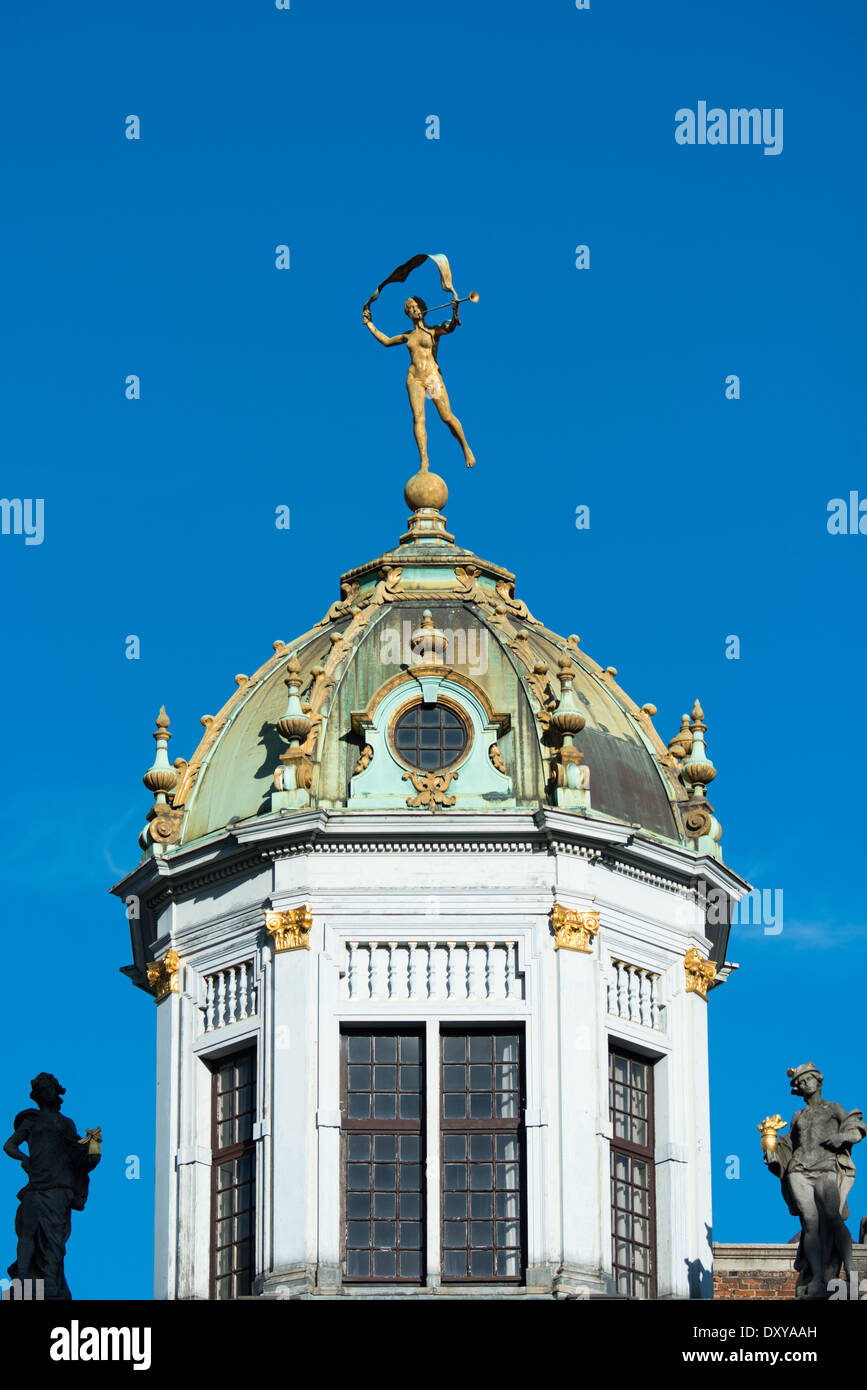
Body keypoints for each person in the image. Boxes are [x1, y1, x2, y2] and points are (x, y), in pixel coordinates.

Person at [763, 1063, 865, 1299]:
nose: (803, 1084)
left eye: (807, 1079)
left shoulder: (833, 1108)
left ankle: (850, 1269)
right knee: (809, 1221)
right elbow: (788, 1145)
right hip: (799, 1168)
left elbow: (855, 1125)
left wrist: (842, 1137)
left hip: (826, 1166)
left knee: (832, 1216)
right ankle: (818, 1277)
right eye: (800, 1083)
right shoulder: (797, 1115)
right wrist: (773, 1152)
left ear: (818, 1081)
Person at [4, 1073, 101, 1300]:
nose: (47, 1092)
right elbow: (9, 1146)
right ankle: (21, 1282)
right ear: (38, 1095)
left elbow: (79, 1153)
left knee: (54, 1239)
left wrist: (93, 1144)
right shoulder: (31, 1121)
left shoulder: (66, 1123)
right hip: (36, 1186)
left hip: (59, 1187)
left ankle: (50, 1284)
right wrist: (24, 1159)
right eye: (43, 1088)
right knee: (26, 1234)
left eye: (49, 1087)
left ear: (56, 1092)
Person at [363, 295, 476, 471]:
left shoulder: (432, 331)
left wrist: (455, 311)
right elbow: (386, 341)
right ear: (408, 313)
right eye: (411, 308)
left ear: (422, 309)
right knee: (418, 418)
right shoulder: (408, 336)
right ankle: (424, 462)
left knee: (446, 416)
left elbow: (450, 327)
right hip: (414, 378)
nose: (414, 310)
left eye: (416, 307)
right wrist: (370, 324)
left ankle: (465, 448)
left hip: (432, 377)